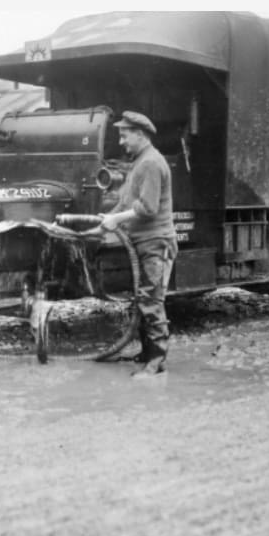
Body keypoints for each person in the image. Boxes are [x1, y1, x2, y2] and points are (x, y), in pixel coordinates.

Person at [97, 111, 177, 378]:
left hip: (155, 243)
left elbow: (147, 208)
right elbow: (124, 202)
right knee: (143, 298)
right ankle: (147, 354)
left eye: (124, 135)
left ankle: (156, 363)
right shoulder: (140, 162)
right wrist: (105, 222)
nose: (121, 142)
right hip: (143, 242)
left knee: (151, 300)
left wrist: (116, 218)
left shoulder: (151, 163)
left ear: (140, 135)